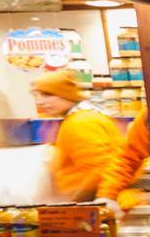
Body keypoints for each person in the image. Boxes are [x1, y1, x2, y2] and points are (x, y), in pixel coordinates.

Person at [31, 69, 123, 202]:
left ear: (66, 95)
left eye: (47, 95)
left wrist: (71, 205)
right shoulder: (78, 118)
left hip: (100, 205)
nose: (40, 102)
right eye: (37, 95)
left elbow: (98, 171)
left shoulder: (81, 122)